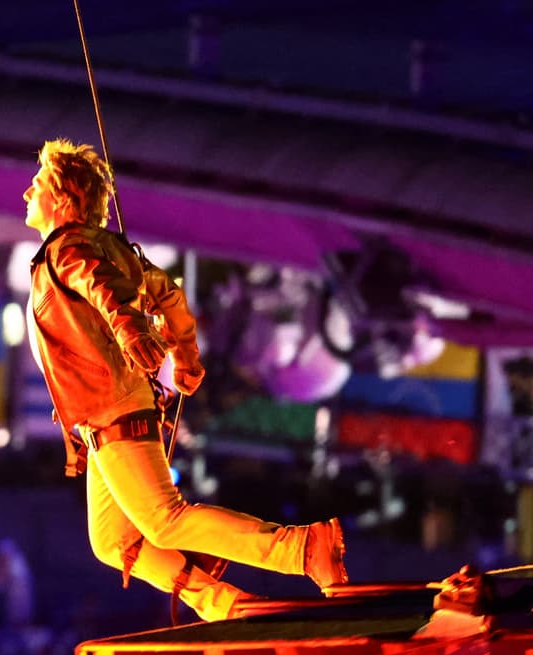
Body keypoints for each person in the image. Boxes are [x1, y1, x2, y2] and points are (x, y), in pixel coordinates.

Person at [22, 139, 349, 622]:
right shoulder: (108, 247)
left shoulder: (66, 249)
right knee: (113, 542)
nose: (27, 192)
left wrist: (133, 331)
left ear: (63, 198)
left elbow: (102, 288)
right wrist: (186, 355)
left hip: (114, 408)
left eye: (37, 184)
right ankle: (226, 604)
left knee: (164, 520)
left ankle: (302, 548)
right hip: (107, 413)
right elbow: (168, 296)